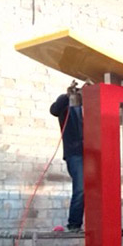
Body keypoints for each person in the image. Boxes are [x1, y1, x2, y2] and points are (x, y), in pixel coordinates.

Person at [50, 82, 84, 231]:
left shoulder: (92, 107)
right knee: (81, 188)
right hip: (75, 154)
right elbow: (54, 110)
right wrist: (67, 95)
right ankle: (74, 224)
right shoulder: (66, 105)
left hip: (93, 153)